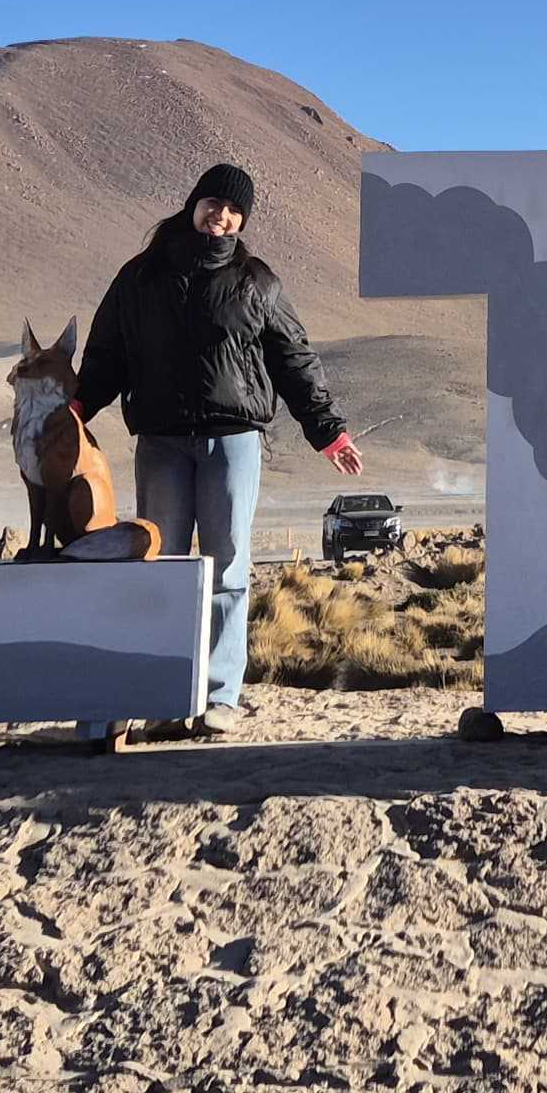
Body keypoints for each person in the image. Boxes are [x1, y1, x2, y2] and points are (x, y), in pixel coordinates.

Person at [74, 161, 359, 735]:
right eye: (213, 204)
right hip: (161, 439)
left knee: (228, 563)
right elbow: (108, 350)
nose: (220, 217)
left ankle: (219, 694)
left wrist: (326, 430)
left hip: (234, 440)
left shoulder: (256, 282)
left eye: (233, 210)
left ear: (242, 219)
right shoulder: (141, 276)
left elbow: (293, 359)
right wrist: (80, 407)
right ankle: (162, 691)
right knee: (162, 564)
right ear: (193, 205)